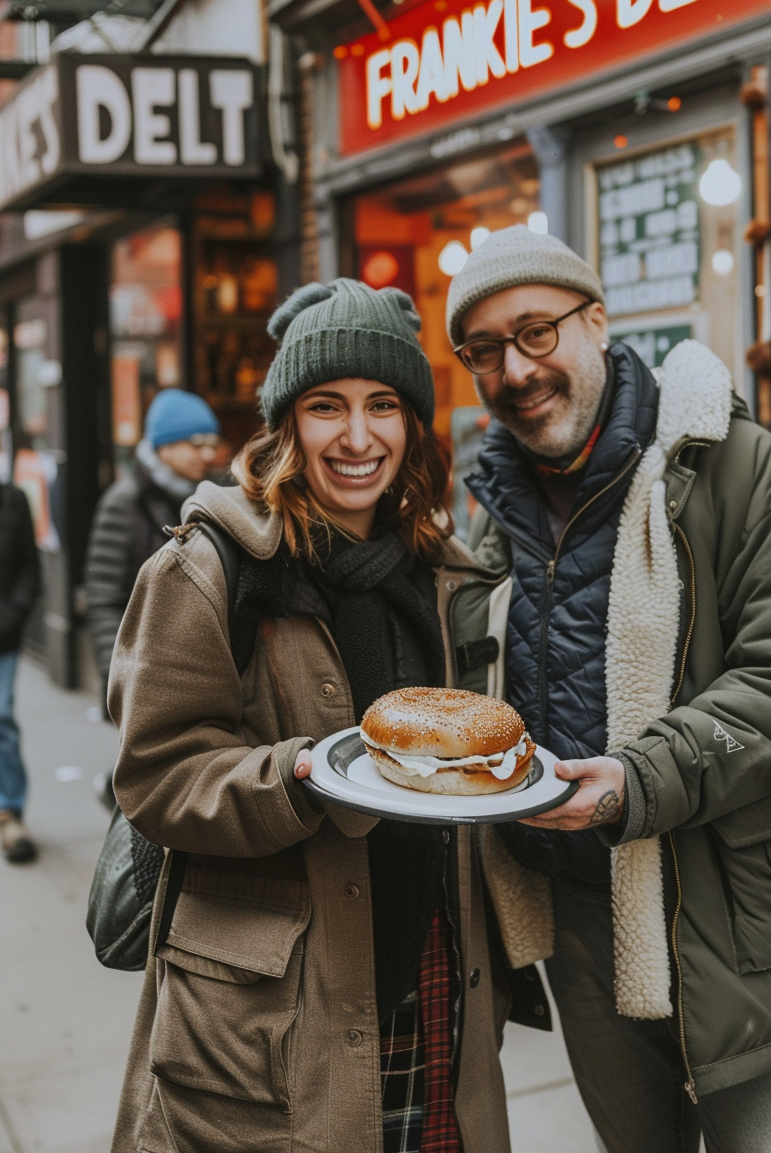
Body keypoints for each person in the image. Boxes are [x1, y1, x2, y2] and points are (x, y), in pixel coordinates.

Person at [450, 226, 771, 1153]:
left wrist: (641, 779)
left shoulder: (730, 462)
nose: (515, 369)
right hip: (582, 922)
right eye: (484, 350)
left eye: (537, 332)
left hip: (735, 910)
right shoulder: (495, 508)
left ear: (596, 320)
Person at [108, 280, 513, 1153]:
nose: (358, 437)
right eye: (327, 406)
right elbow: (156, 776)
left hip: (435, 986)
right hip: (275, 1015)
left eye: (384, 406)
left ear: (411, 425)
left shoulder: (442, 574)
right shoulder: (209, 568)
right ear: (287, 423)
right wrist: (299, 775)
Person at [84, 388, 221, 711]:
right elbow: (103, 597)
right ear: (164, 445)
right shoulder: (126, 502)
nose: (206, 455)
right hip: (144, 679)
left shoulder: (211, 498)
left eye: (212, 445)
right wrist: (116, 680)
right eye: (196, 443)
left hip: (201, 675)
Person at [0, 481, 40, 864]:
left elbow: (31, 567)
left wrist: (11, 619)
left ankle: (8, 812)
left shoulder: (13, 499)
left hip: (2, 637)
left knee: (1, 718)